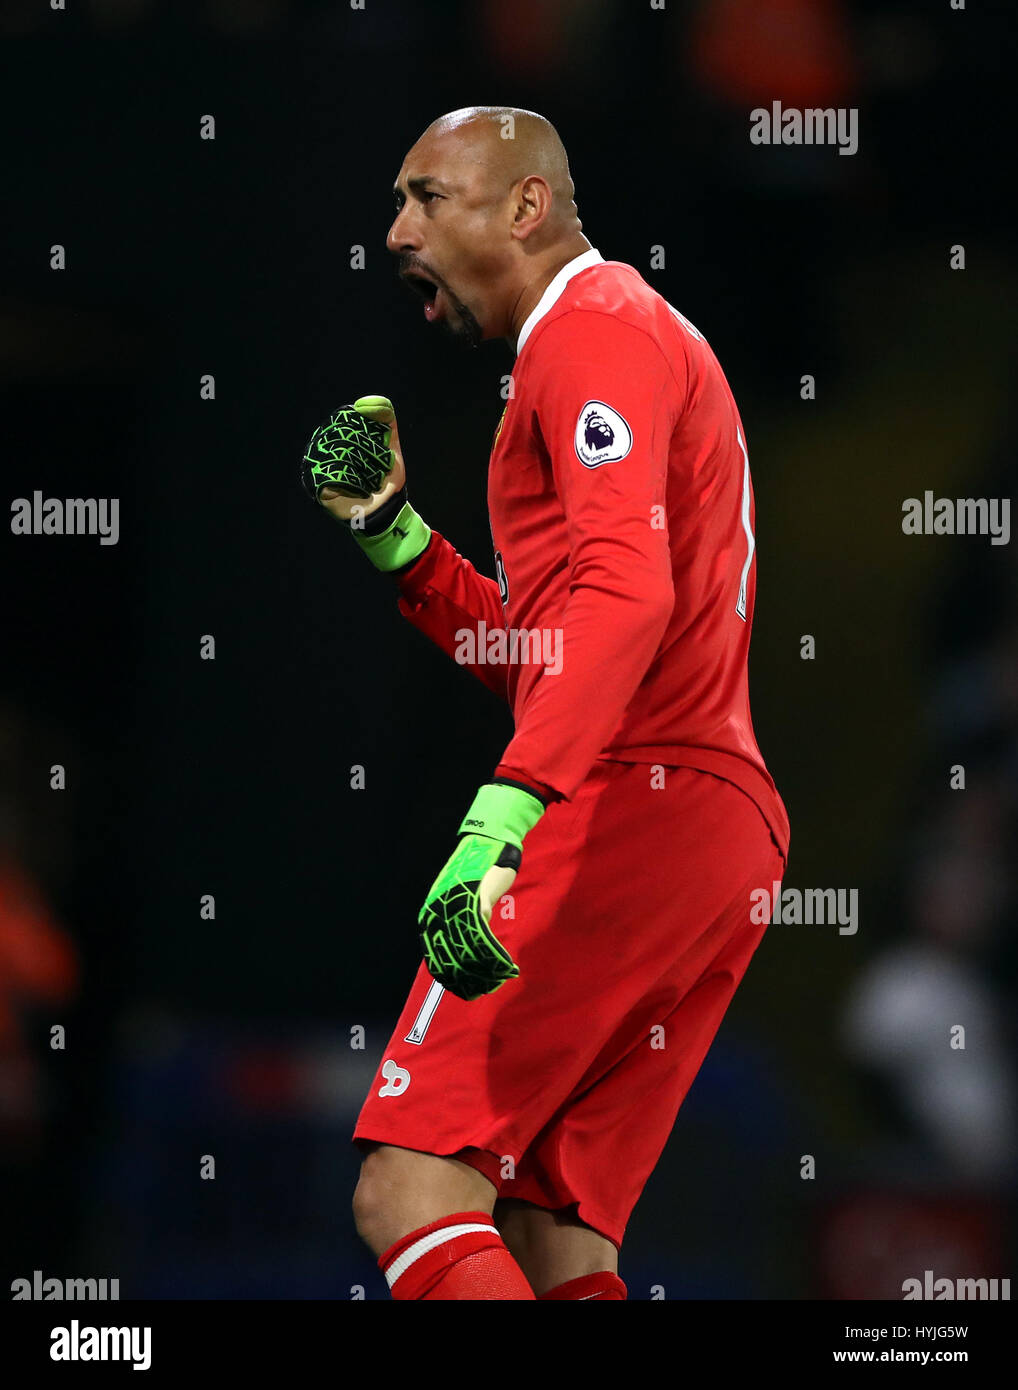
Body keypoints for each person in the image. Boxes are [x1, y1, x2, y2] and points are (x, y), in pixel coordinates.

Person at [307, 106, 790, 1300]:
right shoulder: (609, 338)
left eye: (426, 196)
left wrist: (500, 818)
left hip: (630, 796)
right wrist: (397, 542)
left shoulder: (593, 328)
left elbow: (625, 598)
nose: (393, 230)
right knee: (547, 1236)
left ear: (525, 207)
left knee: (409, 1185)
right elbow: (565, 646)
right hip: (714, 823)